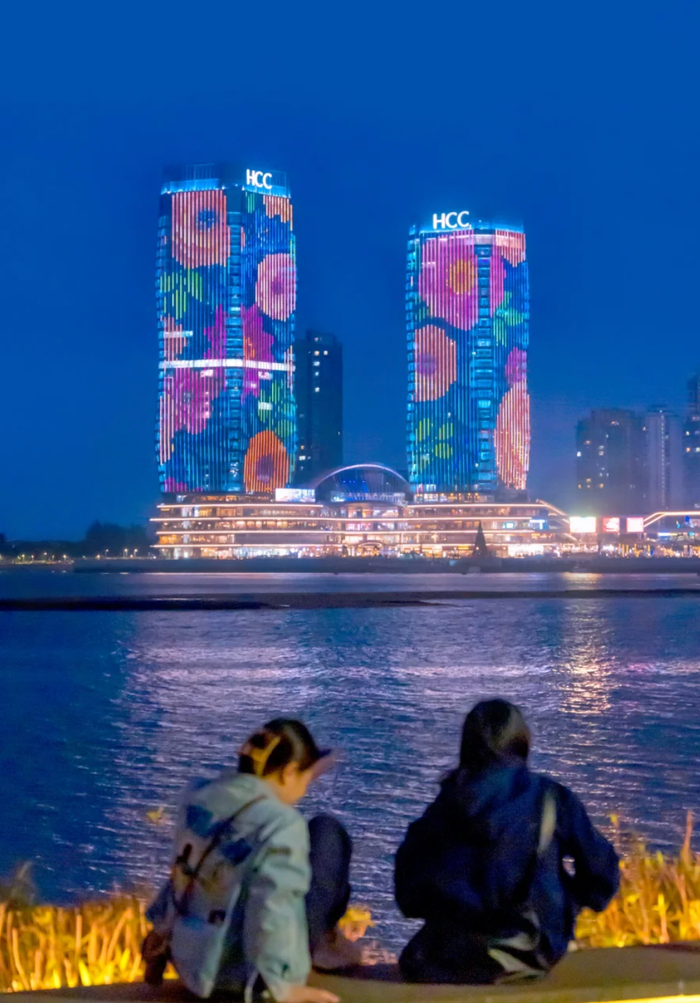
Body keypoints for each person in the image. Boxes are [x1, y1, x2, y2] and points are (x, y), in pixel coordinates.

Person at [394, 699, 620, 984]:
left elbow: (409, 896)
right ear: (521, 740)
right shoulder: (551, 799)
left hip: (450, 954)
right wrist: (568, 904)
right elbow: (602, 875)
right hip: (534, 949)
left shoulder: (443, 808)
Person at [145, 718, 359, 1003]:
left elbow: (180, 875)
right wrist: (280, 986)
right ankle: (324, 947)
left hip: (190, 961)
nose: (305, 790)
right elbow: (272, 906)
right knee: (327, 832)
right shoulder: (281, 824)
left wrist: (160, 931)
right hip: (238, 975)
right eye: (306, 778)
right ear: (289, 772)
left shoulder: (198, 797)